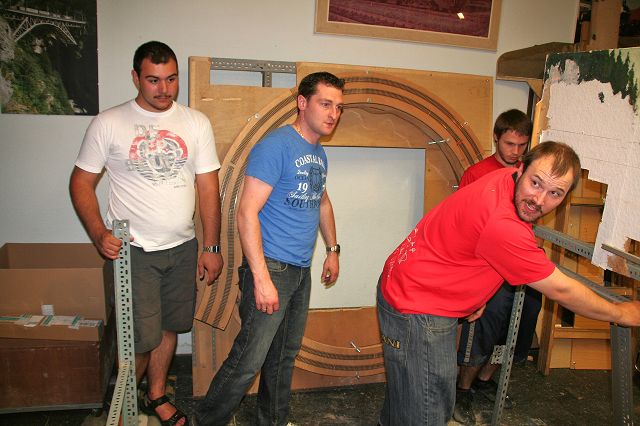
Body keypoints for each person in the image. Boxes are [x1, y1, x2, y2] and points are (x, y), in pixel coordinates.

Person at [376, 141, 640, 426]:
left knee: (406, 396)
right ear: (521, 168)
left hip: (406, 283)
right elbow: (561, 290)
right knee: (427, 411)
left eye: (555, 193)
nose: (539, 200)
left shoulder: (505, 180)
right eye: (536, 183)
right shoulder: (504, 224)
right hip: (419, 308)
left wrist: (476, 294)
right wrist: (620, 312)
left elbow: (475, 243)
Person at [70, 41, 223, 426]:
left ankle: (156, 395)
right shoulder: (109, 123)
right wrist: (98, 232)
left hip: (183, 247)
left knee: (170, 326)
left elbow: (208, 188)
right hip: (134, 251)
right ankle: (121, 411)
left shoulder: (195, 122)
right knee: (139, 339)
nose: (164, 89)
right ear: (136, 77)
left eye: (171, 79)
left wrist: (211, 246)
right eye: (153, 80)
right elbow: (81, 182)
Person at [195, 72, 344, 426]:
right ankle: (206, 421)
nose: (333, 114)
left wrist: (333, 250)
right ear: (302, 103)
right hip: (272, 267)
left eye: (339, 107)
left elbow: (322, 202)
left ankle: (273, 421)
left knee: (283, 357)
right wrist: (261, 279)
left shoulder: (318, 153)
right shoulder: (275, 146)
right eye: (326, 104)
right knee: (248, 360)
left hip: (299, 271)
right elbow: (246, 212)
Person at [454, 109, 539, 424]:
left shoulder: (528, 176)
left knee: (519, 323)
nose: (515, 152)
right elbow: (462, 223)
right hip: (486, 267)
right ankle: (462, 390)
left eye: (522, 145)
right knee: (484, 328)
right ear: (496, 138)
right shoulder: (477, 173)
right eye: (509, 144)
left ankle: (485, 380)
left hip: (516, 264)